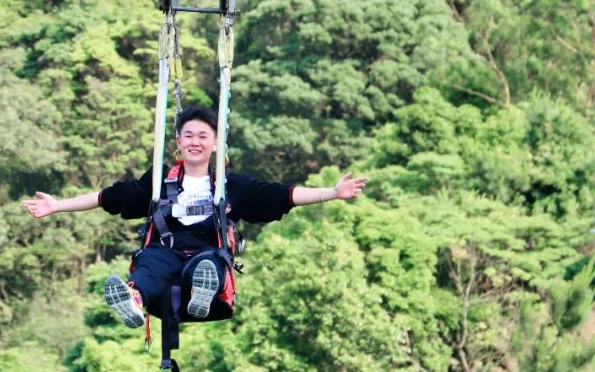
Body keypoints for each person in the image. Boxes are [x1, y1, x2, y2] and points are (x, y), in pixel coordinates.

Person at [22, 104, 368, 328]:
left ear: (215, 144)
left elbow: (281, 196)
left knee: (208, 263)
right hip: (167, 252)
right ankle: (134, 298)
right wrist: (58, 205)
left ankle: (204, 291)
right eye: (189, 136)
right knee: (150, 262)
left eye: (203, 136)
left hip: (206, 255)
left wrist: (331, 192)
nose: (195, 142)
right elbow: (109, 198)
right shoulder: (160, 180)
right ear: (179, 142)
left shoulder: (230, 185)